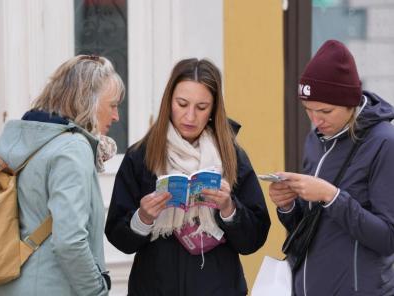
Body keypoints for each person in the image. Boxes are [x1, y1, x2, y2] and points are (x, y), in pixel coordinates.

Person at [105, 58, 270, 295]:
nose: (190, 117)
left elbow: (253, 240)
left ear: (214, 109)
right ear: (168, 102)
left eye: (201, 107)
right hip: (155, 288)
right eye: (182, 104)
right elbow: (119, 240)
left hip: (219, 287)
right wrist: (142, 218)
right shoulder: (141, 156)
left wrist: (229, 209)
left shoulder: (231, 156)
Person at [269, 40, 394, 295]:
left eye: (325, 110)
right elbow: (312, 224)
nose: (316, 120)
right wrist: (288, 205)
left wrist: (331, 196)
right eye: (308, 110)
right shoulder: (315, 139)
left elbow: (387, 238)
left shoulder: (384, 143)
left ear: (350, 103)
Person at [0, 55, 124, 296]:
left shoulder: (31, 140)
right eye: (113, 105)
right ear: (89, 101)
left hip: (15, 284)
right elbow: (70, 241)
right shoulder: (72, 149)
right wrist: (97, 290)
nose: (116, 116)